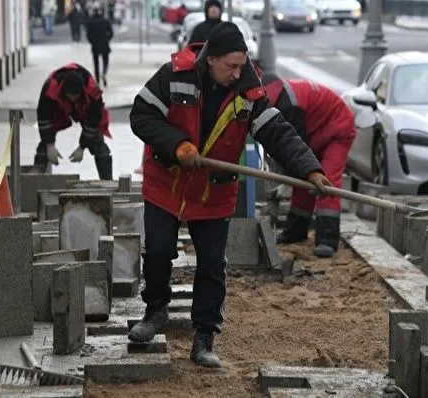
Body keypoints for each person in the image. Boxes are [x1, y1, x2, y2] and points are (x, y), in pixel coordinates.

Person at [128, 22, 331, 368]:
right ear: (211, 60)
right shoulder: (173, 75)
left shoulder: (250, 92)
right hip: (168, 183)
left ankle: (204, 337)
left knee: (211, 265)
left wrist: (310, 169)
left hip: (213, 191)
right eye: (231, 66)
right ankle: (155, 310)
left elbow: (278, 132)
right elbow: (141, 116)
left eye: (242, 65)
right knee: (159, 251)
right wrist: (177, 144)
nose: (239, 73)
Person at [261, 73, 356, 258]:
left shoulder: (290, 106)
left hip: (337, 129)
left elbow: (295, 150)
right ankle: (295, 231)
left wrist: (287, 181)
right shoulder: (278, 99)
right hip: (316, 130)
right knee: (304, 181)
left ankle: (327, 240)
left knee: (326, 182)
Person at [35, 63, 113, 180]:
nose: (73, 99)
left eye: (75, 96)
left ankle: (108, 181)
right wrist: (49, 145)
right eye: (70, 96)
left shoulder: (92, 92)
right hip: (58, 107)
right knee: (44, 146)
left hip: (84, 108)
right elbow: (44, 118)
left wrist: (82, 146)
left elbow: (93, 122)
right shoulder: (50, 88)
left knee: (98, 142)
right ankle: (36, 180)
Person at [86, 1, 114, 87]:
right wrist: (107, 39)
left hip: (95, 45)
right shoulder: (105, 21)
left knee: (96, 63)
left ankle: (97, 81)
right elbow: (111, 32)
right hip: (104, 44)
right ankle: (104, 73)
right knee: (105, 61)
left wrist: (92, 41)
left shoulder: (90, 22)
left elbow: (88, 34)